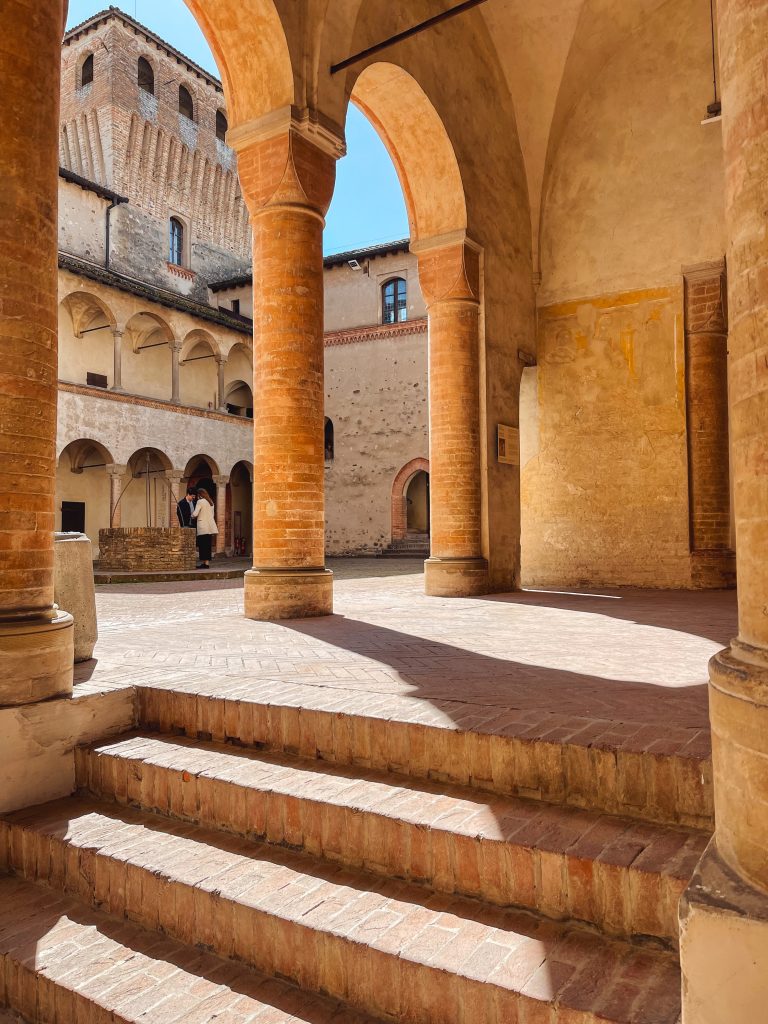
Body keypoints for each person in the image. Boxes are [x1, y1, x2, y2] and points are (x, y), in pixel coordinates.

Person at [192, 487, 218, 568]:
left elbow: (195, 513)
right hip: (209, 527)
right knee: (207, 546)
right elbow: (212, 515)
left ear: (199, 495)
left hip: (202, 527)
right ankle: (207, 563)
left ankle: (204, 563)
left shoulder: (200, 501)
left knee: (203, 545)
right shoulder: (211, 502)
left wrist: (192, 515)